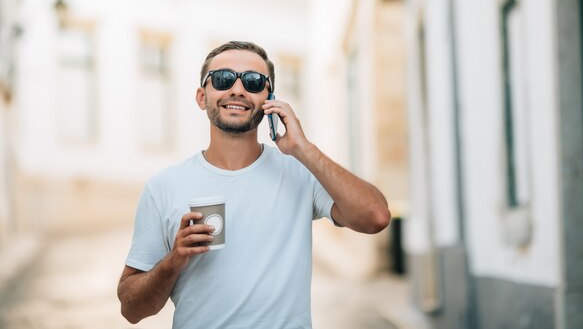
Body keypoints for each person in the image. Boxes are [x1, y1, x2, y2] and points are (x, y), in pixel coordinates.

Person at [117, 41, 390, 328]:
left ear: (269, 99)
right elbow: (131, 310)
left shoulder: (300, 171)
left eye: (253, 82)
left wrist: (303, 148)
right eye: (223, 79)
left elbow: (376, 217)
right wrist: (173, 261)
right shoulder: (164, 187)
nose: (237, 89)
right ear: (201, 96)